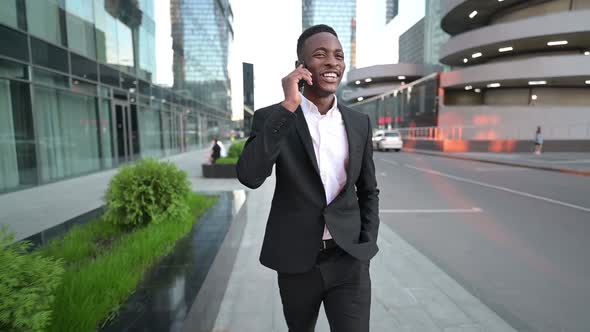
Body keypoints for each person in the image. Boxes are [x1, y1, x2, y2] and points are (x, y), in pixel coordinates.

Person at [236, 24, 379, 332]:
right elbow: (249, 175)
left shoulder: (359, 123)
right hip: (297, 261)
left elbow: (368, 190)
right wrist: (289, 107)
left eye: (338, 55)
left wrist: (366, 244)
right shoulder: (273, 117)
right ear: (300, 68)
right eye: (320, 54)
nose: (333, 62)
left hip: (348, 259)